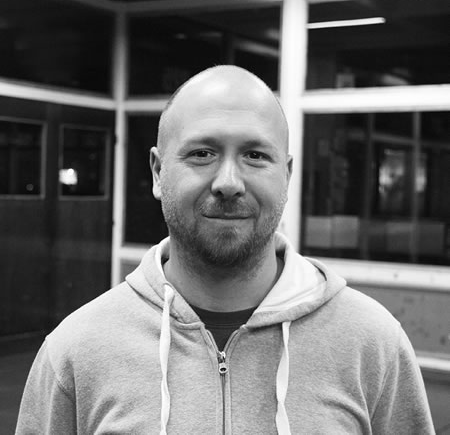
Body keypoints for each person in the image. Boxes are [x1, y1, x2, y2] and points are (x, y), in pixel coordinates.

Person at [16, 65, 434, 434]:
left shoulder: (372, 344)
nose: (229, 182)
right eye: (202, 153)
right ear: (158, 172)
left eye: (255, 155)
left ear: (287, 175)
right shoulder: (76, 352)